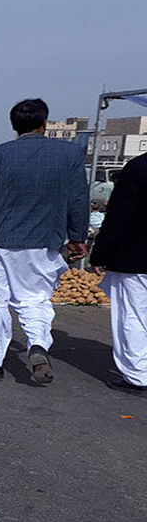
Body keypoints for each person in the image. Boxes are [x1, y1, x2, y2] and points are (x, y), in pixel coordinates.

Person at [0, 98, 88, 383]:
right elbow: (78, 199)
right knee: (35, 299)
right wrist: (77, 237)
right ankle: (38, 343)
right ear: (44, 123)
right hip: (44, 242)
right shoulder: (70, 155)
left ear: (13, 126)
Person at [89, 152, 147, 396]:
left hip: (137, 255)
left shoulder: (138, 167)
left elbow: (118, 215)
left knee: (133, 315)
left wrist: (100, 253)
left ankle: (138, 375)